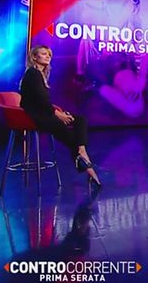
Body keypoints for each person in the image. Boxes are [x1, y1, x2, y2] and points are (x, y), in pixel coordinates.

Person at [20, 45, 101, 188]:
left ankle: (81, 153)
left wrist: (60, 113)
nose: (47, 57)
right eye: (43, 54)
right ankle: (90, 171)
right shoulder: (33, 73)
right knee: (71, 138)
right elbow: (40, 100)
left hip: (45, 112)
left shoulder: (40, 74)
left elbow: (44, 102)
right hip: (36, 116)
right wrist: (58, 114)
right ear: (34, 57)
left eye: (49, 55)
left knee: (80, 120)